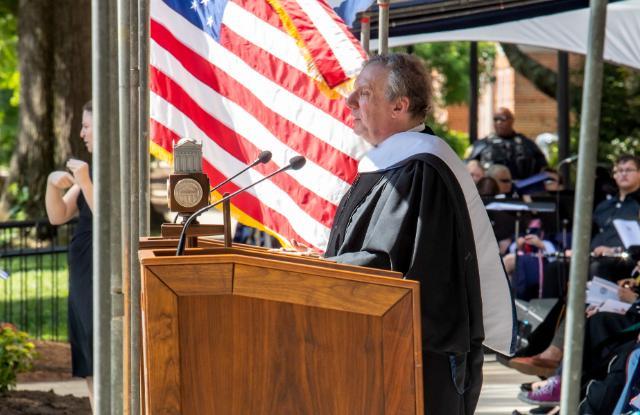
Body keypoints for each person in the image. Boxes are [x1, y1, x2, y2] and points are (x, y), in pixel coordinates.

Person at [322, 53, 515, 415]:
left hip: (416, 355)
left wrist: (319, 271)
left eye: (364, 93)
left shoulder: (422, 167)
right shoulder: (392, 163)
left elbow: (387, 262)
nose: (350, 102)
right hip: (388, 347)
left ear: (399, 105)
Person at [45, 101, 94, 405]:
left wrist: (86, 180)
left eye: (87, 126)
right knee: (89, 355)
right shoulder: (92, 171)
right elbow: (58, 214)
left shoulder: (115, 168)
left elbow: (112, 219)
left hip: (102, 270)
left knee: (102, 349)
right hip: (82, 269)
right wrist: (52, 185)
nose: (81, 133)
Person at [590, 154, 640, 280]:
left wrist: (614, 250)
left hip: (629, 259)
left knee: (598, 267)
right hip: (596, 255)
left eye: (628, 170)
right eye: (619, 171)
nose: (623, 174)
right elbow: (592, 233)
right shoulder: (603, 206)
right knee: (557, 266)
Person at [467, 107, 548, 180]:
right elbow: (469, 167)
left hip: (522, 191)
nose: (499, 122)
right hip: (491, 192)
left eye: (502, 118)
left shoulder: (526, 144)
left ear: (512, 120)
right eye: (496, 119)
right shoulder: (483, 144)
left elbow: (543, 167)